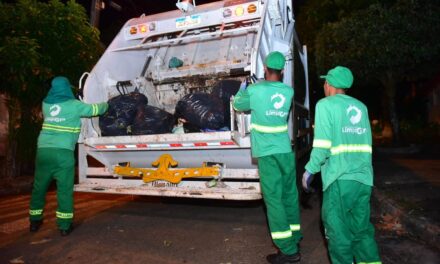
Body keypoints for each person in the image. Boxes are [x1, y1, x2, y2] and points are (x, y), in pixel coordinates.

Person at [302, 66, 381, 264]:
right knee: (361, 231)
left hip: (339, 179)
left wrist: (310, 170)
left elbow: (322, 145)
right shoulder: (361, 107)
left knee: (338, 235)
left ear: (328, 84)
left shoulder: (325, 105)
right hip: (364, 180)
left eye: (325, 82)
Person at [233, 51, 302, 264]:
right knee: (289, 194)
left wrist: (243, 87)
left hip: (267, 153)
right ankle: (295, 236)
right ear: (282, 71)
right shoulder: (289, 91)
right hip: (284, 150)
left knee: (273, 200)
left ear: (264, 68)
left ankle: (288, 251)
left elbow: (237, 104)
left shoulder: (255, 90)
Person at [29, 76, 108, 236]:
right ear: (67, 88)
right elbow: (95, 110)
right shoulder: (74, 105)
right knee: (64, 190)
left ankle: (34, 221)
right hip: (63, 152)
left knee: (39, 187)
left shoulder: (45, 104)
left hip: (43, 151)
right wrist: (107, 103)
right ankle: (64, 226)